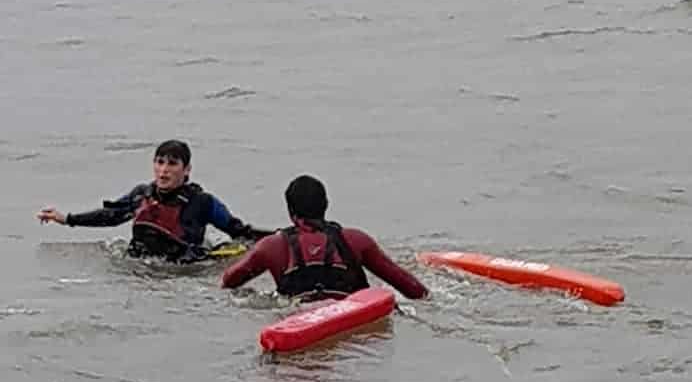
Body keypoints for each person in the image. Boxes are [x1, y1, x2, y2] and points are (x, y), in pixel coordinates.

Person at [37, 139, 270, 263]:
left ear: (187, 169)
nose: (163, 171)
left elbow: (239, 232)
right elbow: (111, 216)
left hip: (185, 271)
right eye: (159, 162)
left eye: (172, 164)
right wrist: (66, 219)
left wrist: (283, 237)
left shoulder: (203, 202)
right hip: (140, 267)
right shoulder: (142, 194)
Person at [221, 174, 429, 300]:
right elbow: (413, 289)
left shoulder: (271, 247)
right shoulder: (356, 241)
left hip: (298, 319)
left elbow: (229, 281)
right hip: (351, 319)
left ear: (291, 214)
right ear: (326, 206)